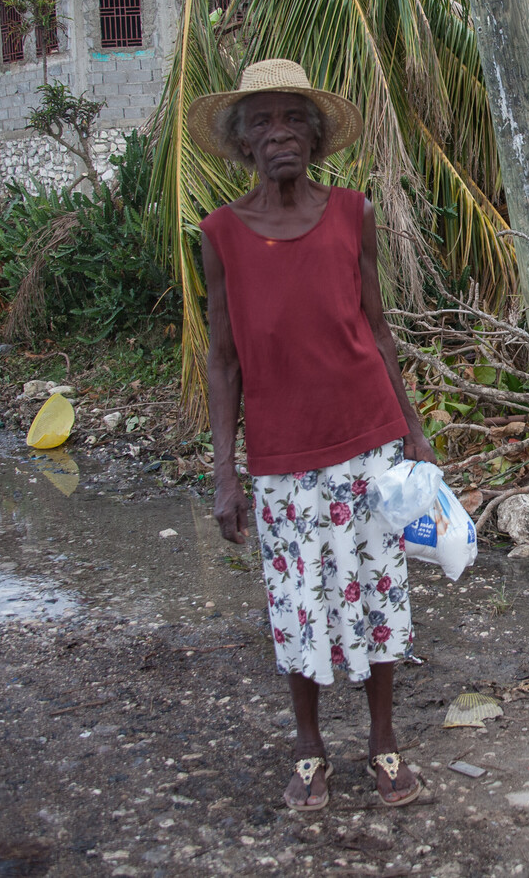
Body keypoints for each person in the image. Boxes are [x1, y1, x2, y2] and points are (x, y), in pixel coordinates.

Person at [191, 58, 436, 812]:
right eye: (261, 122)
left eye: (292, 118)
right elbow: (223, 357)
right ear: (241, 142)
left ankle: (384, 740)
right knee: (299, 604)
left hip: (368, 440)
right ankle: (308, 749)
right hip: (281, 456)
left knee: (379, 596)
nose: (278, 134)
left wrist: (417, 435)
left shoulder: (352, 213)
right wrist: (225, 473)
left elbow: (379, 328)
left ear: (317, 133)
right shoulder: (221, 234)